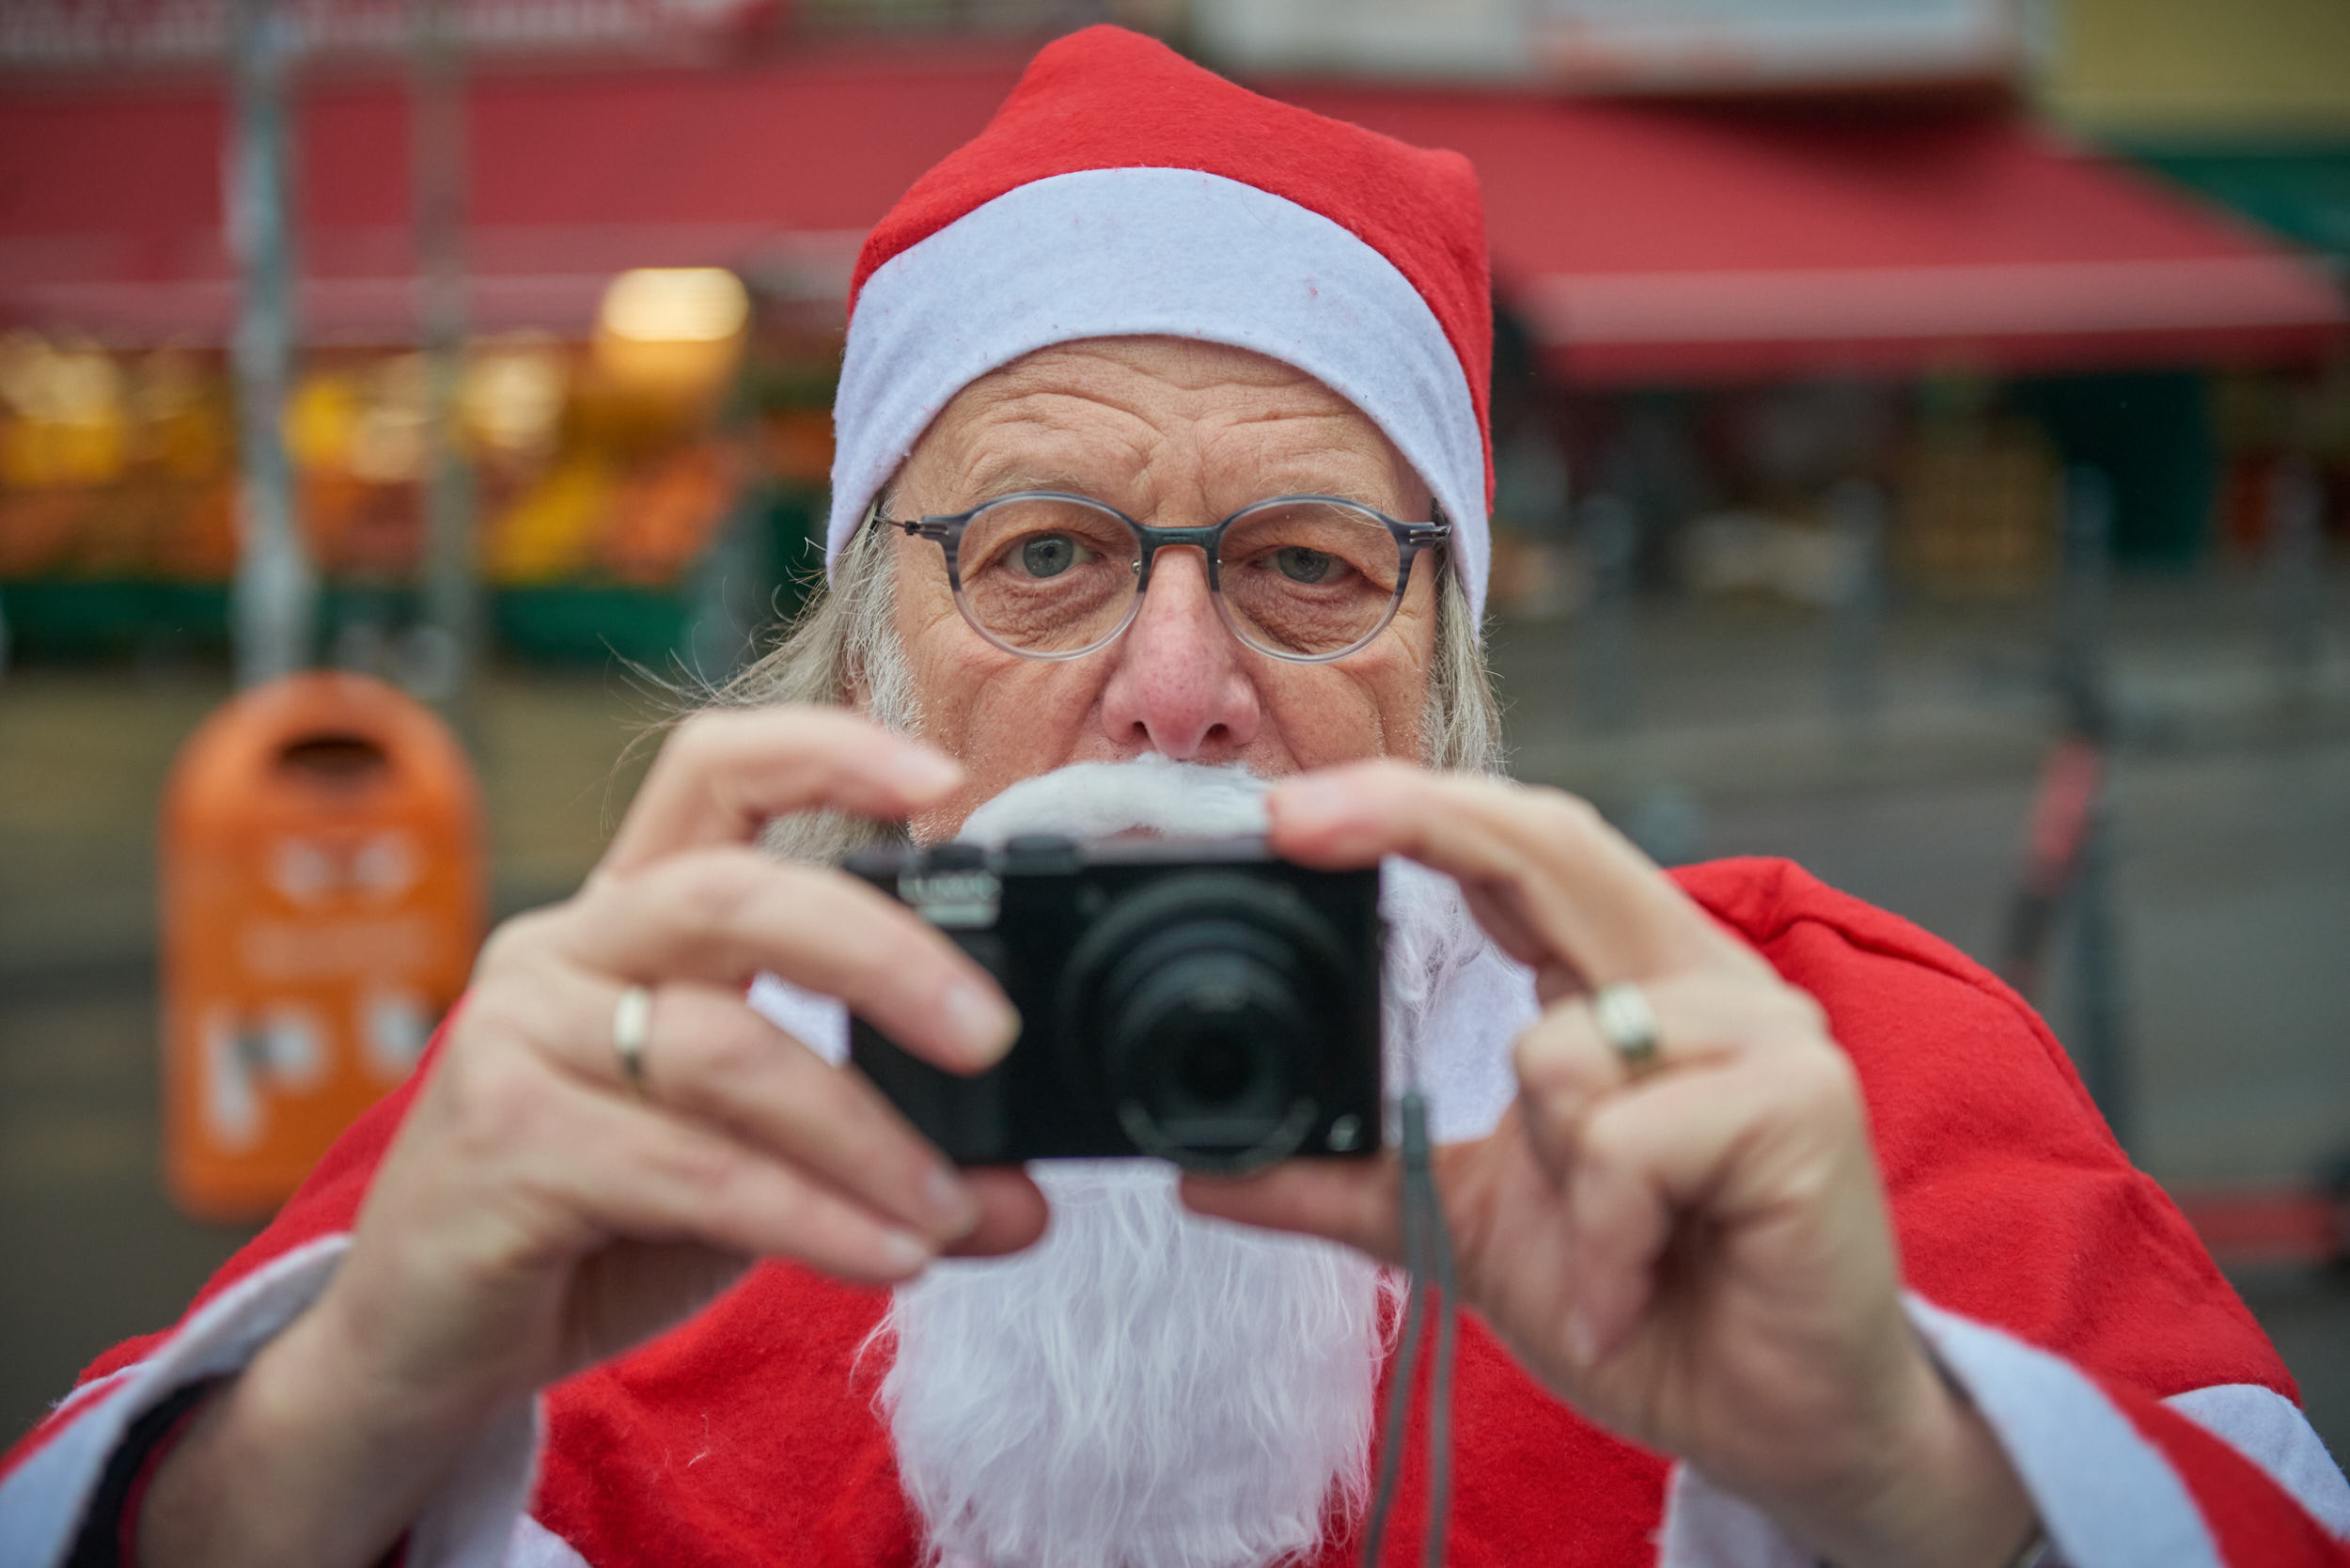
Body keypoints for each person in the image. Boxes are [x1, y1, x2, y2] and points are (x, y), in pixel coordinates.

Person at [6, 26, 2347, 1568]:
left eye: (1310, 566)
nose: (1176, 689)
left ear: (1446, 656)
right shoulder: (606, 1107)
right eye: (1041, 555)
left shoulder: (1803, 1065)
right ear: (862, 642)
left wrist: (1914, 1486)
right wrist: (333, 1429)